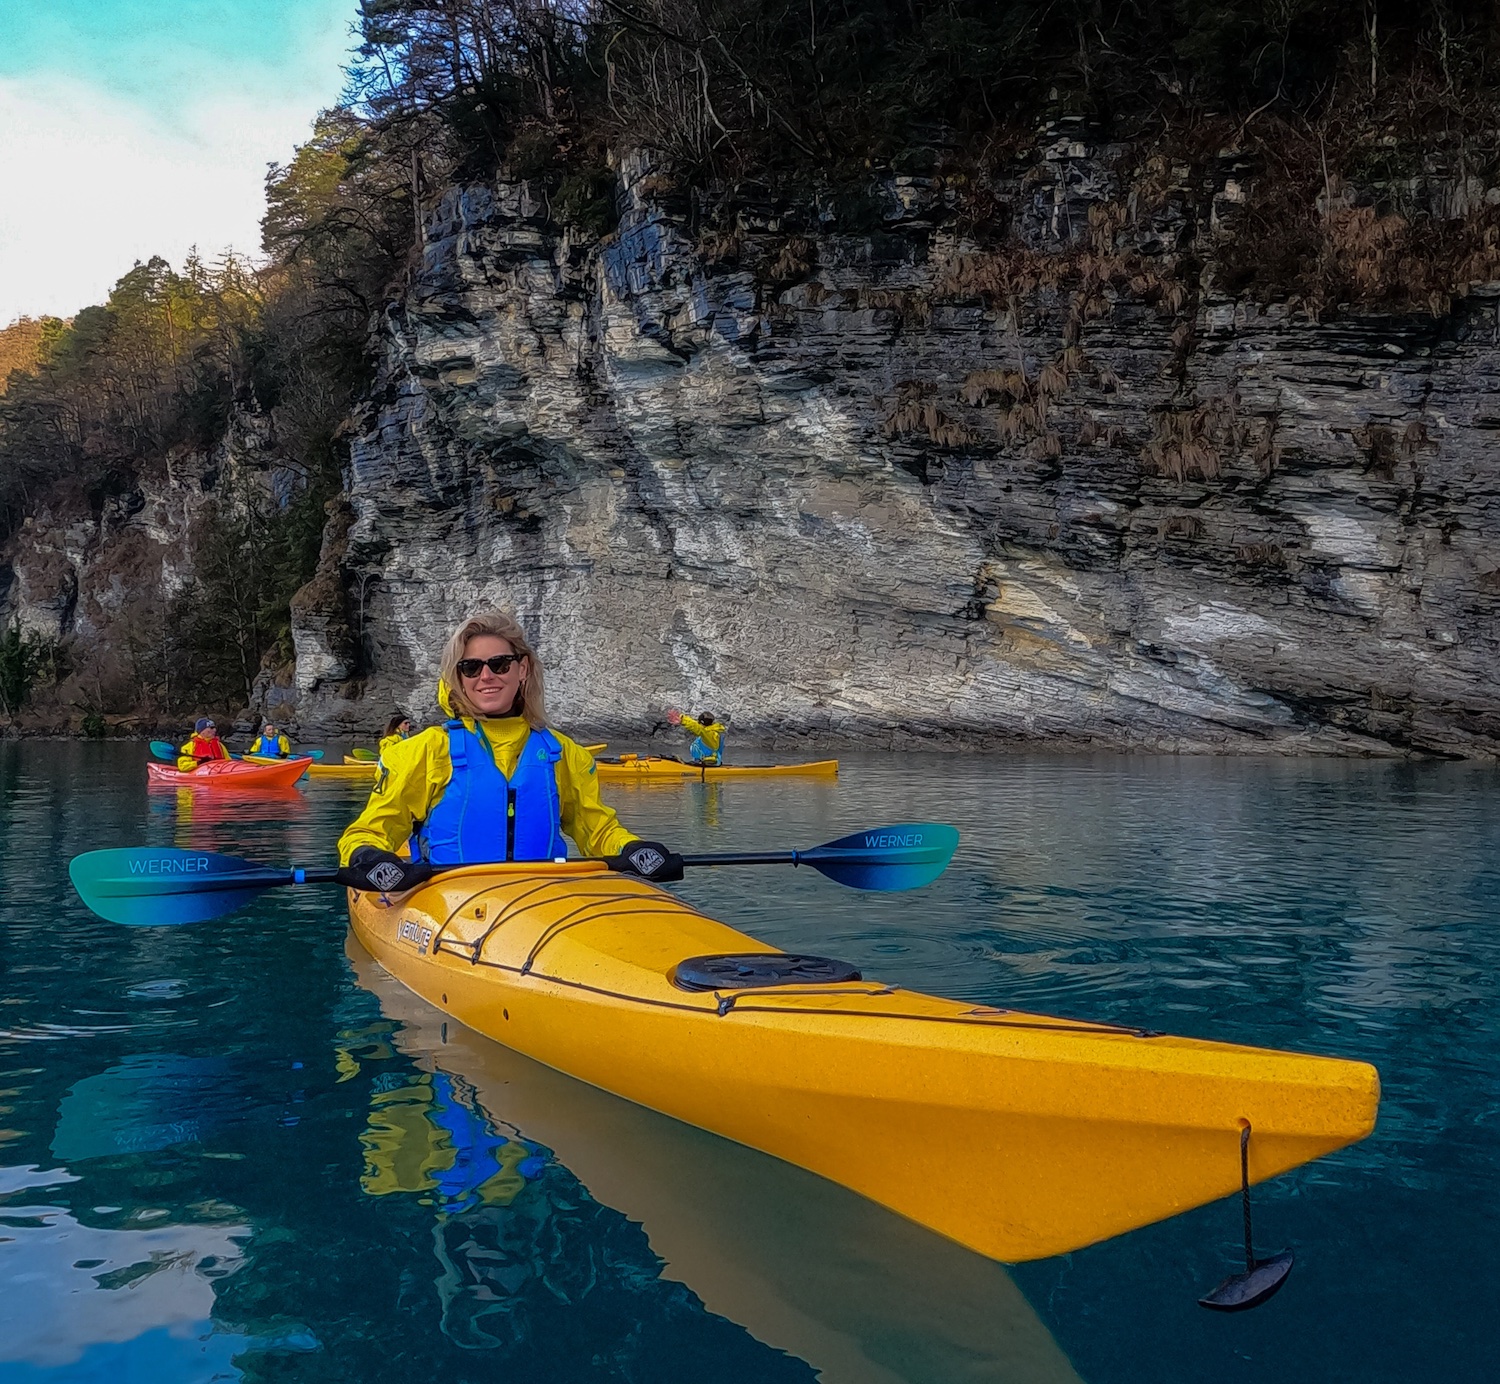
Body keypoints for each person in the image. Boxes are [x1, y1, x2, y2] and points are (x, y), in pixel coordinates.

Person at [336, 611, 682, 893]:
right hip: (450, 901)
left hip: (543, 898)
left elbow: (597, 831)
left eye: (499, 664)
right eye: (470, 667)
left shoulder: (564, 754)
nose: (486, 676)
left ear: (523, 669)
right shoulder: (425, 751)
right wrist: (366, 855)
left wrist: (632, 848)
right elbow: (368, 832)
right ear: (457, 678)